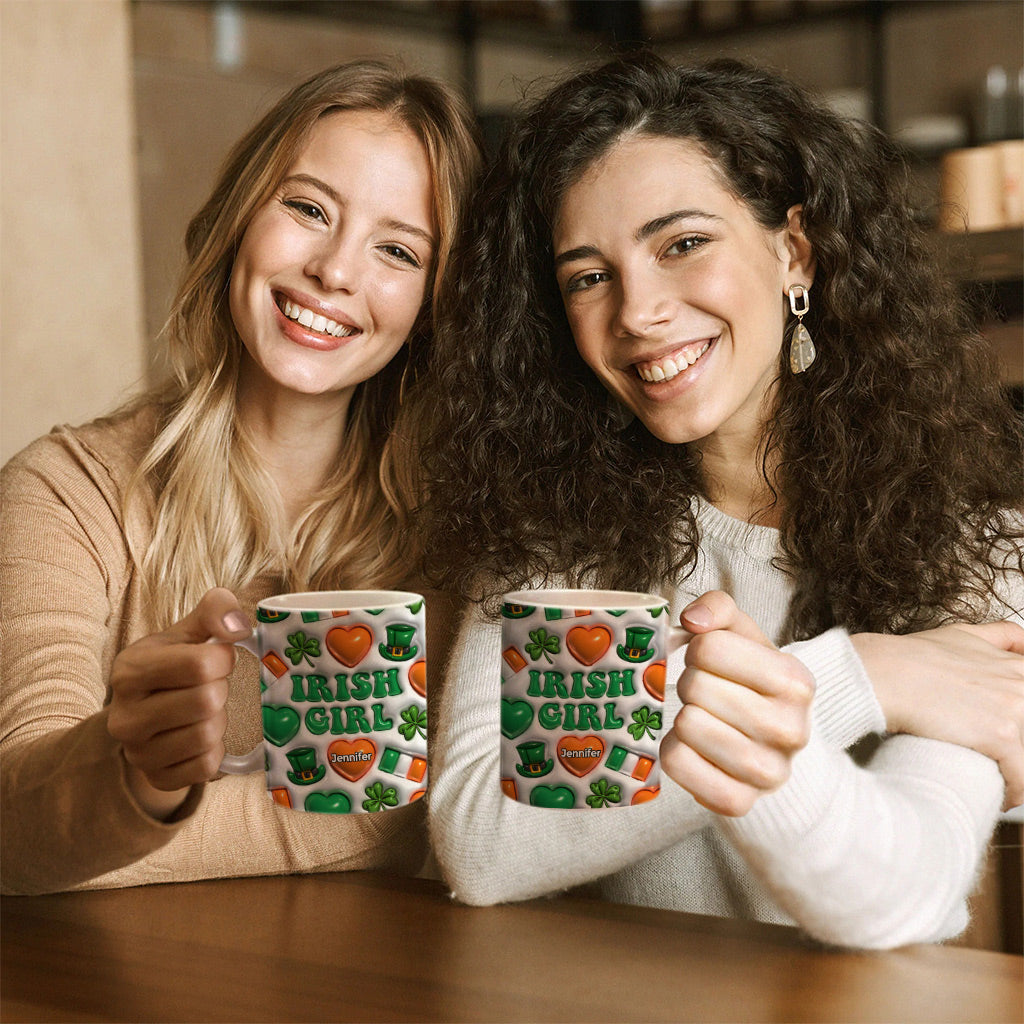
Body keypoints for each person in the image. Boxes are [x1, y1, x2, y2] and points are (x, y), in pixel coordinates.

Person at [415, 53, 1024, 949]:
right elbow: (479, 844)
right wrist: (857, 677)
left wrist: (775, 695)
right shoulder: (551, 540)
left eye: (682, 244)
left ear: (794, 252)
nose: (637, 311)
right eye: (588, 276)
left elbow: (901, 891)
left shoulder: (978, 544)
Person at [0, 60, 482, 895]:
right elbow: (16, 824)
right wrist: (137, 776)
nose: (335, 270)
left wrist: (124, 829)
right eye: (307, 209)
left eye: (397, 250)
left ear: (434, 304)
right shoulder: (65, 492)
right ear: (238, 220)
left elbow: (413, 810)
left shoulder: (459, 533)